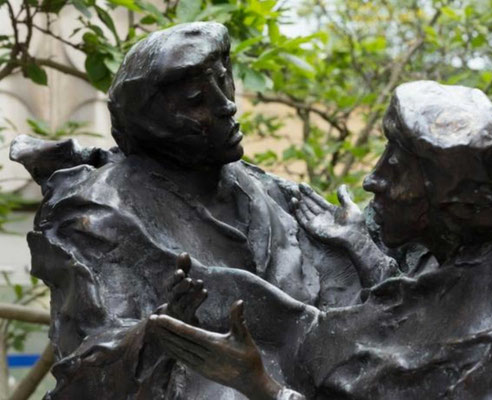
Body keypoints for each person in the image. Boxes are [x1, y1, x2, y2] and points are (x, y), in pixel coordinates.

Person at [10, 22, 397, 399]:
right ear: (149, 122)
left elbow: (379, 324)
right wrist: (159, 330)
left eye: (224, 80)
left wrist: (361, 248)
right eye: (197, 100)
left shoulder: (277, 195)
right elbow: (86, 370)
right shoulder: (99, 214)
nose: (226, 104)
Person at [151, 81, 492, 399]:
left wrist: (261, 386)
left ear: (457, 204)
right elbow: (433, 303)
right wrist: (361, 246)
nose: (372, 180)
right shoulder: (481, 243)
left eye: (398, 168)